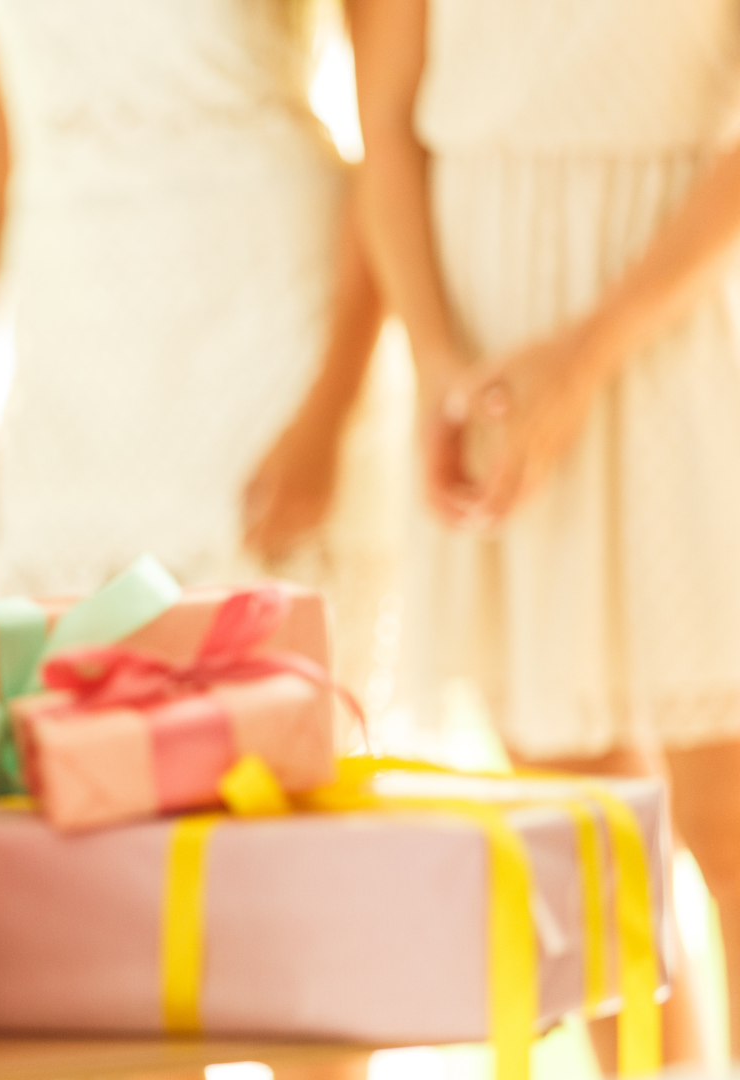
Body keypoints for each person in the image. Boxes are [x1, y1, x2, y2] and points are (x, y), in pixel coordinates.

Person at [353, 0, 740, 1065]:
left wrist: (589, 348)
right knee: (591, 838)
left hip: (666, 336)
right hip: (479, 350)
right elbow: (382, 128)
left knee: (728, 817)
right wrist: (436, 362)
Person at [0, 0, 389, 688]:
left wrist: (331, 408)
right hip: (66, 363)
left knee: (264, 738)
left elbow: (389, 143)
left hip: (263, 345)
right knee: (58, 746)